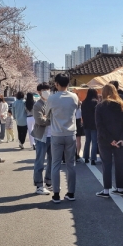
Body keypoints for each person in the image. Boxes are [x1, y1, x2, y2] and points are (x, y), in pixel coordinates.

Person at [47, 73, 79, 203]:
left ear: (57, 84)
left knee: (56, 164)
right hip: (71, 133)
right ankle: (71, 193)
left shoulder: (52, 98)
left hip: (56, 134)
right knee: (71, 164)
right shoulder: (74, 97)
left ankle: (56, 195)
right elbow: (76, 110)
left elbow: (47, 113)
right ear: (68, 83)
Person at [95, 84, 123, 198]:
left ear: (104, 93)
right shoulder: (122, 106)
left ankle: (106, 190)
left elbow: (99, 126)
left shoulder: (100, 107)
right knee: (120, 163)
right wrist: (121, 138)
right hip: (120, 141)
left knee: (106, 164)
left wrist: (110, 140)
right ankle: (120, 188)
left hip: (105, 140)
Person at [31, 83, 53, 195]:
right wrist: (51, 120)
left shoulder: (52, 102)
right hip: (41, 137)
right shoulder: (37, 105)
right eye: (44, 90)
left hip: (52, 136)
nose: (46, 91)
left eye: (48, 89)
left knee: (52, 160)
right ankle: (39, 185)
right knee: (40, 161)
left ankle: (49, 183)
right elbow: (40, 120)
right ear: (39, 92)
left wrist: (47, 118)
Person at [81, 88, 99, 165]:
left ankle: (86, 157)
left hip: (86, 124)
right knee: (94, 142)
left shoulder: (84, 102)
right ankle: (93, 159)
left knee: (87, 141)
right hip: (94, 124)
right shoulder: (95, 102)